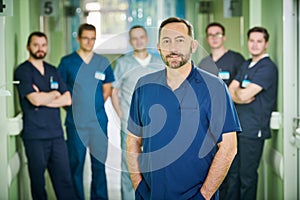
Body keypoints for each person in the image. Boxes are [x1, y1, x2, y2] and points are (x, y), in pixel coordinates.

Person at [126, 17, 241, 200]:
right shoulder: (144, 86)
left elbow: (228, 148)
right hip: (151, 194)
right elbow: (133, 139)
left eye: (180, 40)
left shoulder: (215, 88)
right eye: (166, 41)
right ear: (158, 47)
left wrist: (204, 196)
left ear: (193, 45)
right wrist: (139, 185)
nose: (173, 48)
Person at [14, 32, 75, 200]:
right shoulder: (22, 71)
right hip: (35, 137)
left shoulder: (52, 70)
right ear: (28, 47)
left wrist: (45, 97)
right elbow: (34, 100)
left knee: (65, 181)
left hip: (56, 135)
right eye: (36, 45)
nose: (40, 49)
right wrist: (54, 95)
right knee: (38, 184)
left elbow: (68, 99)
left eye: (43, 45)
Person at [58, 23, 115, 200]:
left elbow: (107, 89)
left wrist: (92, 106)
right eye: (86, 38)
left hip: (98, 122)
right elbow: (61, 91)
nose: (89, 42)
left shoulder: (102, 62)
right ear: (78, 39)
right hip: (76, 123)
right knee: (76, 164)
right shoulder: (67, 62)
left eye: (92, 39)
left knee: (99, 165)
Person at [111, 25, 163, 200]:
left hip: (156, 126)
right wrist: (122, 115)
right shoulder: (123, 63)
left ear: (147, 39)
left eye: (141, 37)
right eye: (134, 38)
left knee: (155, 167)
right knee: (129, 167)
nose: (139, 40)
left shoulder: (159, 62)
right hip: (130, 125)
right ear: (130, 41)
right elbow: (114, 92)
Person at [228, 27, 278, 200]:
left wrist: (239, 94)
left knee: (247, 177)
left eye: (259, 41)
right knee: (234, 175)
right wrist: (239, 95)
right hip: (239, 128)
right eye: (252, 41)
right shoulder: (246, 64)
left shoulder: (268, 68)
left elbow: (241, 93)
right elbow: (231, 91)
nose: (255, 45)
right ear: (247, 42)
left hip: (253, 131)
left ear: (266, 44)